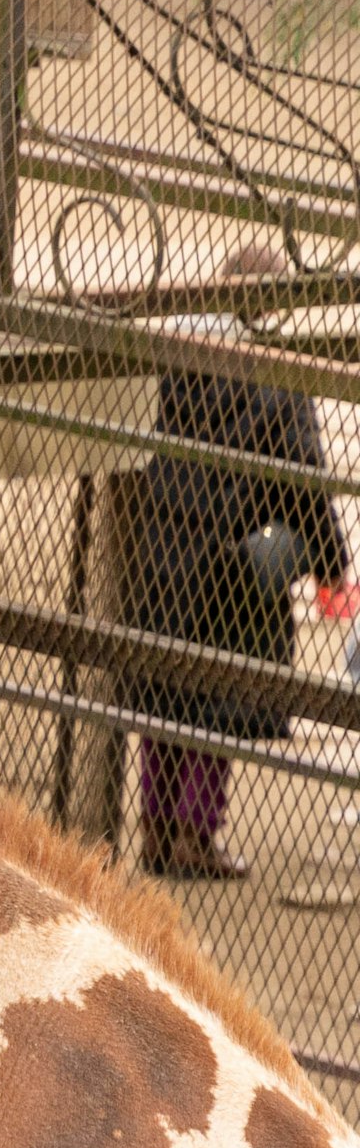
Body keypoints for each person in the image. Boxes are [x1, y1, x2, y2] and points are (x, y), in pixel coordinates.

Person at [125, 245, 351, 881]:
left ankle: (156, 828)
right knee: (218, 698)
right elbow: (304, 480)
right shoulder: (274, 374)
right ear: (270, 305)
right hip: (234, 565)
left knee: (163, 694)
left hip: (161, 548)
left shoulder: (172, 355)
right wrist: (332, 564)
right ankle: (196, 835)